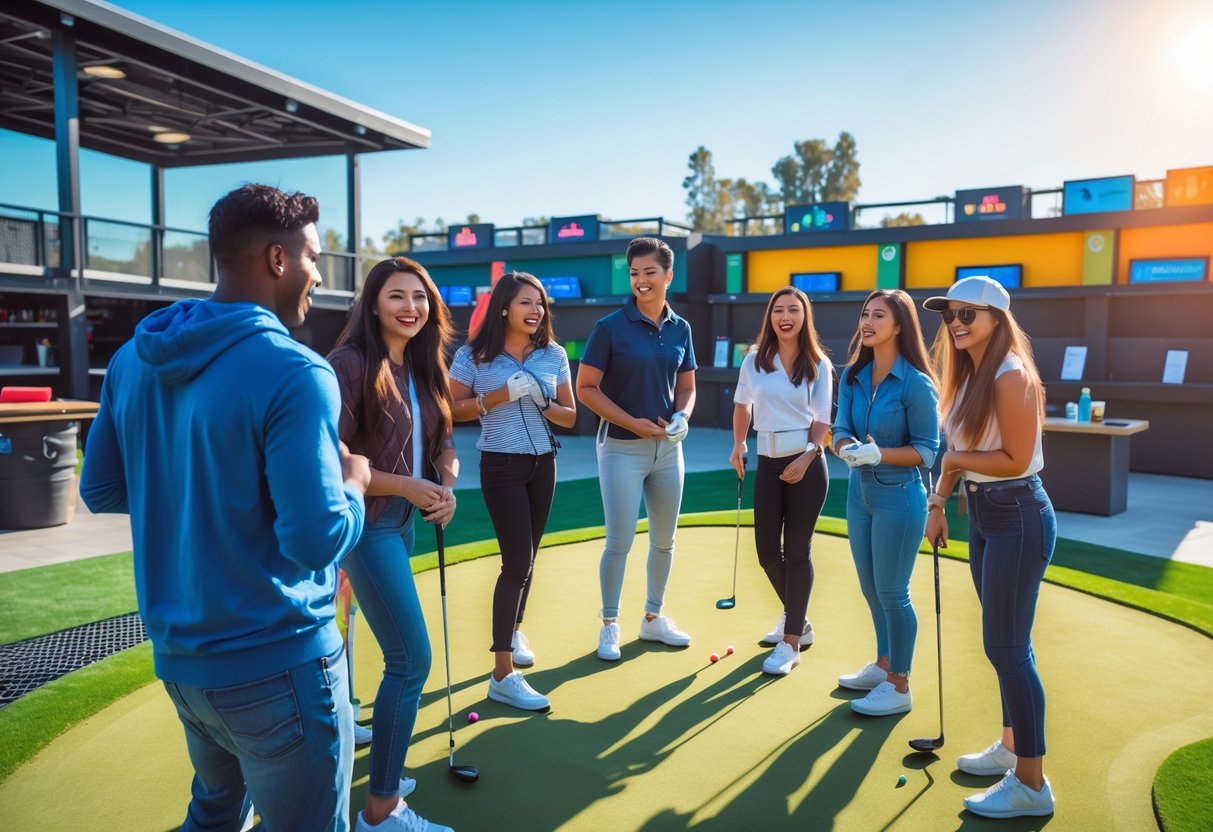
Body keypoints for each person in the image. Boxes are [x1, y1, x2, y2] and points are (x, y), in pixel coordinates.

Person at [80, 184, 370, 832]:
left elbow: (99, 488)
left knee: (212, 818)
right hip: (281, 662)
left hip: (185, 666)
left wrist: (201, 498)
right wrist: (356, 482)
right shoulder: (296, 372)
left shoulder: (131, 359)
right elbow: (316, 539)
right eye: (314, 258)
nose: (319, 276)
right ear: (277, 258)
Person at [328, 257, 458, 832]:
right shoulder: (349, 363)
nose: (411, 308)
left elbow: (445, 442)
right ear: (373, 303)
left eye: (420, 297)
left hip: (405, 523)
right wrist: (406, 484)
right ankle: (380, 813)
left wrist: (446, 487)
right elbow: (334, 459)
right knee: (411, 660)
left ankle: (384, 775)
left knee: (400, 659)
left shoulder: (427, 363)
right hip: (371, 524)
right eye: (397, 297)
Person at [923, 276, 1056, 819]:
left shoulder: (1010, 373)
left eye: (967, 315)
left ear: (997, 320)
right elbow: (958, 449)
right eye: (950, 314)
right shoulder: (971, 373)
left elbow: (1017, 459)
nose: (955, 323)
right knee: (1008, 643)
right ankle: (1010, 745)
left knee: (1006, 648)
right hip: (985, 514)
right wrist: (939, 502)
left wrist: (951, 468)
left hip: (1018, 514)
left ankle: (1031, 782)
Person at [449, 271, 577, 711]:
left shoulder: (554, 353)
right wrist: (499, 395)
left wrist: (545, 401)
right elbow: (451, 408)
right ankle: (502, 673)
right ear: (504, 307)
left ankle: (515, 628)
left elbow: (571, 416)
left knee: (530, 556)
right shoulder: (473, 355)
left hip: (545, 464)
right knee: (516, 561)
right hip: (501, 465)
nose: (537, 311)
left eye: (540, 303)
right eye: (527, 303)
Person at [576, 237, 697, 661]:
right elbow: (585, 389)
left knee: (665, 542)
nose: (641, 280)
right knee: (620, 541)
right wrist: (631, 423)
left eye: (649, 272)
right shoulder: (608, 327)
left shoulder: (681, 328)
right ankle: (610, 623)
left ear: (668, 276)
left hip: (668, 452)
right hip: (621, 450)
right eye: (634, 273)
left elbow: (687, 387)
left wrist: (682, 417)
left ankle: (653, 618)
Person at [831, 289, 939, 716]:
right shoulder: (852, 375)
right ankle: (884, 662)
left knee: (894, 592)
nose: (868, 322)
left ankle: (900, 684)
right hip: (859, 494)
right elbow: (839, 427)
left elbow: (928, 451)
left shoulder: (916, 383)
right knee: (871, 588)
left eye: (879, 315)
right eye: (865, 314)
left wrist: (880, 454)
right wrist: (846, 448)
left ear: (899, 325)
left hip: (899, 496)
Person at [729, 287, 833, 676]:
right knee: (767, 553)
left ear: (805, 317)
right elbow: (742, 405)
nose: (785, 316)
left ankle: (791, 642)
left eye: (793, 310)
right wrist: (738, 443)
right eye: (778, 310)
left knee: (798, 551)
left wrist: (809, 454)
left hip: (807, 462)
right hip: (769, 464)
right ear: (770, 317)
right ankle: (798, 619)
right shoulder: (754, 360)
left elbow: (823, 416)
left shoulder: (819, 364)